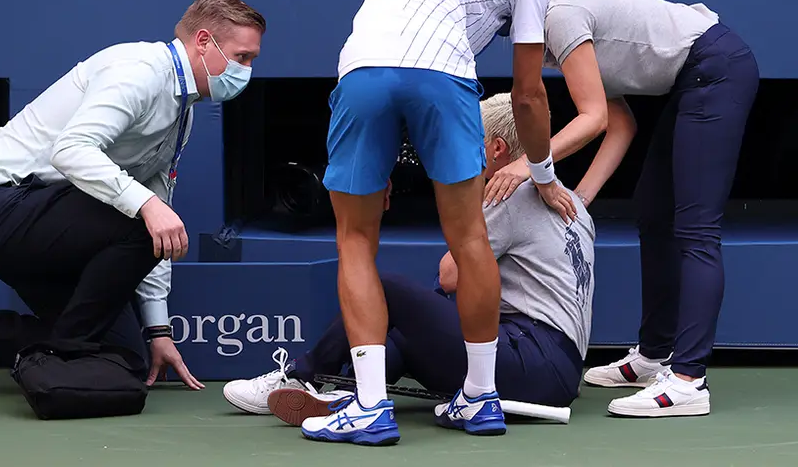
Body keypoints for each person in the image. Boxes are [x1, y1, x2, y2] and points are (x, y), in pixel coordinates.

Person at [312, 0, 583, 445]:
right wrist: (544, 174)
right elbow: (530, 96)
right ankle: (480, 399)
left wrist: (381, 159)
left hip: (361, 77)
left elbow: (387, 58)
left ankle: (367, 407)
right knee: (470, 239)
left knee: (355, 241)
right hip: (443, 80)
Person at [222, 92, 595, 430]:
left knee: (389, 289)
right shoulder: (574, 204)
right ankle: (348, 391)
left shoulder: (509, 193)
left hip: (531, 360)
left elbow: (449, 276)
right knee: (403, 334)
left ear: (497, 149)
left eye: (469, 143)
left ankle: (303, 375)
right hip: (557, 372)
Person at [482, 0, 760, 418]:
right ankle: (654, 355)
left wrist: (527, 167)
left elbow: (592, 120)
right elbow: (620, 122)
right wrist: (581, 199)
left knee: (696, 230)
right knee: (653, 215)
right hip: (696, 78)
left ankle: (689, 380)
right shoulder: (553, 36)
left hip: (716, 69)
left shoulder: (562, 17)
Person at [0, 0, 265, 394]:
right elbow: (70, 151)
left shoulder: (183, 111)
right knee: (144, 219)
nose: (246, 70)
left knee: (125, 358)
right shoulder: (138, 71)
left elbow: (161, 225)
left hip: (50, 225)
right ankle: (65, 352)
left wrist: (158, 328)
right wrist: (145, 203)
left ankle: (21, 340)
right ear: (204, 41)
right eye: (242, 57)